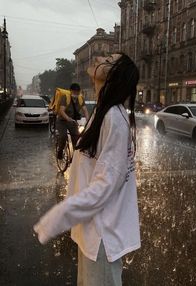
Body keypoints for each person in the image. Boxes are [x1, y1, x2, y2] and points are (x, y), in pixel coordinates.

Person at [33, 53, 141, 286]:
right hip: (93, 231)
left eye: (109, 59)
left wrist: (59, 216)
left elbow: (104, 187)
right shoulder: (104, 112)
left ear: (113, 75)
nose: (100, 57)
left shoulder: (113, 118)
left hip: (102, 236)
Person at [56, 83, 89, 159]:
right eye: (74, 92)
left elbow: (85, 110)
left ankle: (76, 157)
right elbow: (61, 111)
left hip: (73, 121)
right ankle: (60, 151)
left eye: (77, 92)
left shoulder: (81, 99)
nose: (76, 93)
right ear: (70, 91)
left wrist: (88, 120)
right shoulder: (65, 97)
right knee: (63, 136)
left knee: (77, 139)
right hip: (62, 121)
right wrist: (68, 118)